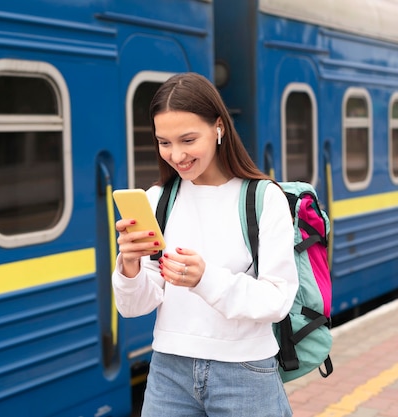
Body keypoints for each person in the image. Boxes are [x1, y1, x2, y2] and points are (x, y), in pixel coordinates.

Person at [112, 72, 298, 417]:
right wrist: (129, 267)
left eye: (187, 140)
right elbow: (134, 307)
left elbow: (277, 300)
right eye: (164, 142)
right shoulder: (157, 200)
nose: (176, 155)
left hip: (245, 372)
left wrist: (204, 278)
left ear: (218, 128)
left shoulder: (262, 198)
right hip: (169, 370)